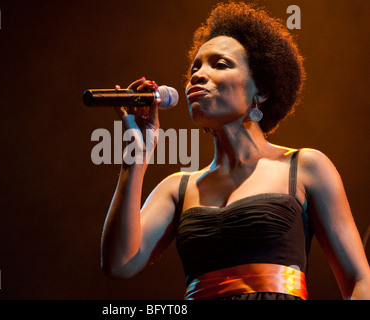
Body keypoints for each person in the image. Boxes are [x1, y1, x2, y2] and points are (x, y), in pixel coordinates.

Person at [100, 2, 370, 300]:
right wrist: (135, 157)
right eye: (195, 67)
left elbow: (359, 280)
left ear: (262, 89)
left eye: (220, 64)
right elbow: (118, 264)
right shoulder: (177, 188)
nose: (197, 75)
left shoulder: (303, 166)